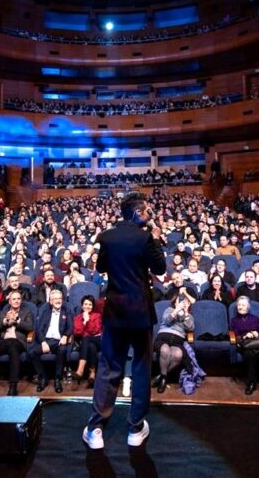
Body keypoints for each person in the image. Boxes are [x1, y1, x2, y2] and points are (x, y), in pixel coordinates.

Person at [84, 192, 167, 451]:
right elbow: (161, 268)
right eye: (147, 210)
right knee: (141, 368)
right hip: (140, 312)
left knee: (109, 366)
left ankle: (96, 428)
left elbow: (100, 268)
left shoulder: (106, 237)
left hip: (116, 311)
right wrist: (154, 238)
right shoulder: (146, 237)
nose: (150, 214)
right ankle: (135, 428)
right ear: (138, 213)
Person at [0, 290, 35, 396]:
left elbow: (30, 327)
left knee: (14, 348)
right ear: (9, 301)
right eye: (14, 299)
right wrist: (5, 321)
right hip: (4, 341)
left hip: (18, 342)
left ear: (21, 300)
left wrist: (17, 320)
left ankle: (13, 385)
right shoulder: (4, 311)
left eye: (18, 299)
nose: (16, 301)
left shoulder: (26, 311)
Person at [230, 296, 259, 396]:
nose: (240, 307)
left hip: (258, 343)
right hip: (245, 345)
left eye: (243, 305)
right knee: (249, 355)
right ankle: (251, 383)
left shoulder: (255, 318)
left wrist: (256, 333)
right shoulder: (234, 320)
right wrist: (246, 335)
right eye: (239, 305)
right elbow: (235, 334)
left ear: (248, 307)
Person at [152, 291, 195, 394]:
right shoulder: (169, 310)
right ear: (175, 302)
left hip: (177, 340)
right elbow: (167, 320)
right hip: (163, 337)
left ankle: (161, 376)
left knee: (178, 354)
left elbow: (190, 328)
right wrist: (176, 310)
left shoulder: (189, 316)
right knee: (165, 351)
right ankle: (163, 380)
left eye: (186, 302)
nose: (183, 303)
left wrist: (185, 313)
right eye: (180, 301)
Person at [72, 295, 102, 389]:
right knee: (90, 345)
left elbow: (95, 331)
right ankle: (92, 373)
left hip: (99, 340)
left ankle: (80, 370)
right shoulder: (77, 318)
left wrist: (87, 321)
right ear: (82, 306)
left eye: (90, 304)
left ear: (93, 306)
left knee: (86, 338)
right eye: (85, 304)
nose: (87, 306)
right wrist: (84, 321)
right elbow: (77, 332)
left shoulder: (97, 316)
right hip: (87, 343)